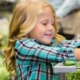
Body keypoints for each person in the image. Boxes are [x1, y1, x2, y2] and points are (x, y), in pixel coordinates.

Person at [4, 0, 80, 80]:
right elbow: (58, 53)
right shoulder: (23, 46)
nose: (51, 28)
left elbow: (68, 44)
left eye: (52, 23)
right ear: (25, 25)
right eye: (44, 23)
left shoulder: (51, 42)